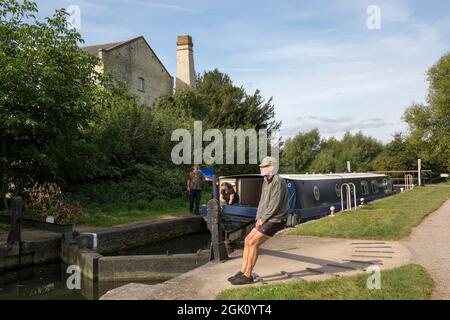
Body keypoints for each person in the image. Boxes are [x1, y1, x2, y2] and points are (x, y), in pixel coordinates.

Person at [228, 156, 288, 285]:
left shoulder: (278, 181)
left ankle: (248, 275)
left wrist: (264, 218)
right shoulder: (266, 181)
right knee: (247, 240)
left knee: (254, 243)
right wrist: (258, 217)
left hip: (276, 219)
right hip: (265, 218)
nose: (261, 168)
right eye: (261, 166)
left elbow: (275, 203)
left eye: (264, 166)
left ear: (272, 167)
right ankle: (243, 271)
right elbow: (262, 201)